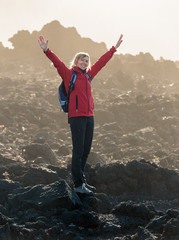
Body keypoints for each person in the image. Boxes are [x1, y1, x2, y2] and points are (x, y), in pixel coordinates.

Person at [38, 34, 123, 195]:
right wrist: (46, 50)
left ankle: (81, 181)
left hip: (89, 116)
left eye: (86, 61)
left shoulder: (89, 76)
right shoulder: (69, 74)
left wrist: (114, 49)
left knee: (85, 150)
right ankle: (78, 185)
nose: (84, 62)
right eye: (82, 60)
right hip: (76, 117)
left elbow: (101, 63)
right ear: (76, 61)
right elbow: (57, 63)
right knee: (78, 151)